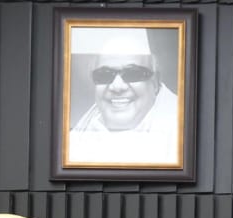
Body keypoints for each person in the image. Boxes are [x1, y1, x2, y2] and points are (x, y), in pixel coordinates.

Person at [67, 30, 179, 166]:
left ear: (155, 82)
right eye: (104, 75)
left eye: (132, 74)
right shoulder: (81, 133)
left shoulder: (182, 133)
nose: (117, 87)